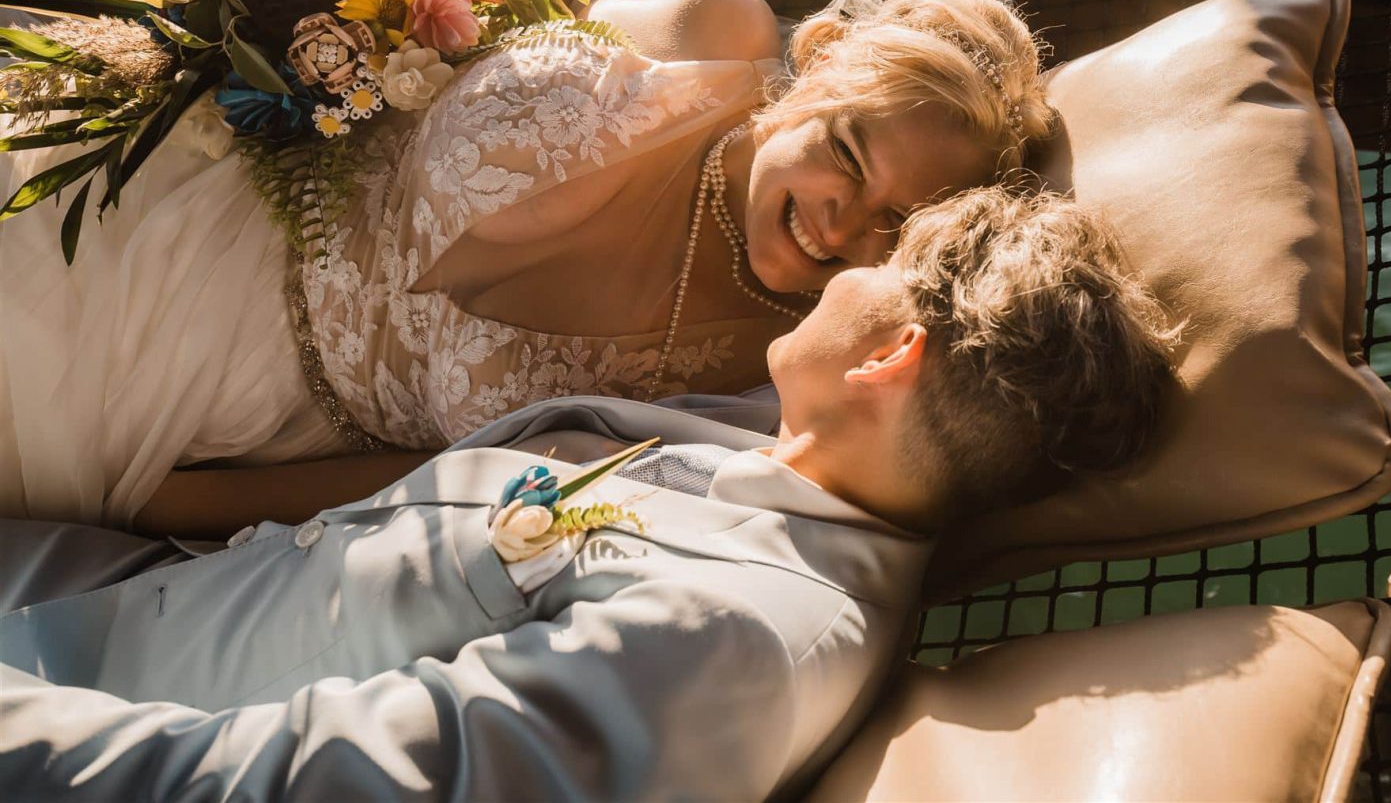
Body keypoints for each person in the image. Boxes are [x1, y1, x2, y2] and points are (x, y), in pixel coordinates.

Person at [0, 186, 1179, 802]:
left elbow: (305, 789)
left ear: (890, 356)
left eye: (887, 263)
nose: (849, 265)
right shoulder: (760, 441)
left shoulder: (745, 641)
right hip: (90, 589)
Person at [1, 0, 1056, 529]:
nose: (841, 224)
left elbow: (435, 481)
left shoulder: (765, 368)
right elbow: (450, 5)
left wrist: (176, 506)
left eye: (890, 224)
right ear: (813, 83)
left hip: (211, 416)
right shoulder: (708, 36)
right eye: (847, 155)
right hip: (172, 179)